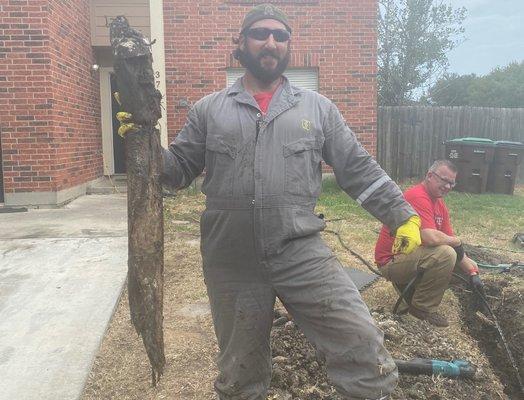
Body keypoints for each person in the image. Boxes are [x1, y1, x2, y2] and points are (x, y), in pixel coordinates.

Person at [118, 4, 422, 399]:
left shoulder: (318, 109)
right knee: (240, 373)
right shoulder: (209, 110)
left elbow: (359, 169)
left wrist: (403, 217)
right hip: (232, 259)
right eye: (261, 33)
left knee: (362, 344)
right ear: (241, 43)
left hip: (299, 250)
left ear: (288, 47)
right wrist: (142, 139)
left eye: (281, 36)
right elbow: (176, 171)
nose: (271, 42)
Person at [374, 159, 484, 328]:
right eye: (444, 180)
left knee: (463, 266)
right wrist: (457, 241)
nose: (447, 186)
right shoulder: (417, 196)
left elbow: (451, 241)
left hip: (414, 257)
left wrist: (473, 271)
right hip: (392, 261)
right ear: (430, 176)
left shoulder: (439, 204)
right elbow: (429, 238)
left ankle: (412, 291)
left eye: (452, 183)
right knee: (446, 254)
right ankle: (420, 309)